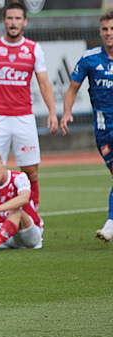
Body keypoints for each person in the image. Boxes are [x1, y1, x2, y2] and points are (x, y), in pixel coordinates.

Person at [0, 2, 58, 213]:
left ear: (25, 21)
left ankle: (33, 218)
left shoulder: (34, 49)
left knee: (31, 172)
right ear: (4, 21)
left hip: (24, 117)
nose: (13, 23)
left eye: (17, 19)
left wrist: (52, 112)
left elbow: (44, 83)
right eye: (10, 18)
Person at [60, 11, 113, 243]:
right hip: (103, 131)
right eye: (105, 29)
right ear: (100, 31)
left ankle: (110, 224)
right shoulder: (90, 58)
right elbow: (72, 89)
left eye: (112, 29)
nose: (109, 34)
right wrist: (66, 113)